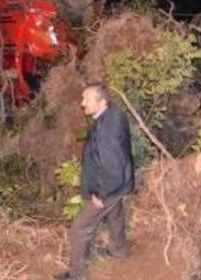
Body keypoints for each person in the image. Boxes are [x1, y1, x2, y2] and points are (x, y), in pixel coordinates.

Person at [54, 84, 134, 280]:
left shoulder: (108, 128)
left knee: (80, 228)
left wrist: (101, 193)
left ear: (102, 102)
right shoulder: (113, 114)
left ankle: (77, 275)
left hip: (110, 187)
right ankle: (119, 250)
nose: (82, 104)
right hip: (120, 184)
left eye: (87, 99)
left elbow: (112, 163)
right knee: (114, 215)